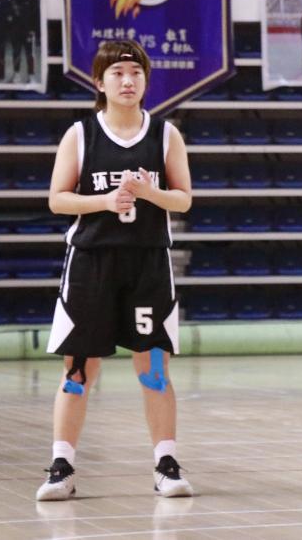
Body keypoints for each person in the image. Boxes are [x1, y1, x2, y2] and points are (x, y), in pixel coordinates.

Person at [37, 40, 193, 501]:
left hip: (148, 261)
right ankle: (62, 467)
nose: (128, 81)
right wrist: (105, 201)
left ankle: (166, 464)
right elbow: (57, 199)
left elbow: (184, 198)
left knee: (154, 368)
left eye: (136, 73)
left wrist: (150, 193)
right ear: (100, 82)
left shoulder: (166, 134)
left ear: (146, 81)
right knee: (78, 370)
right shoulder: (80, 134)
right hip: (92, 261)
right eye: (118, 74)